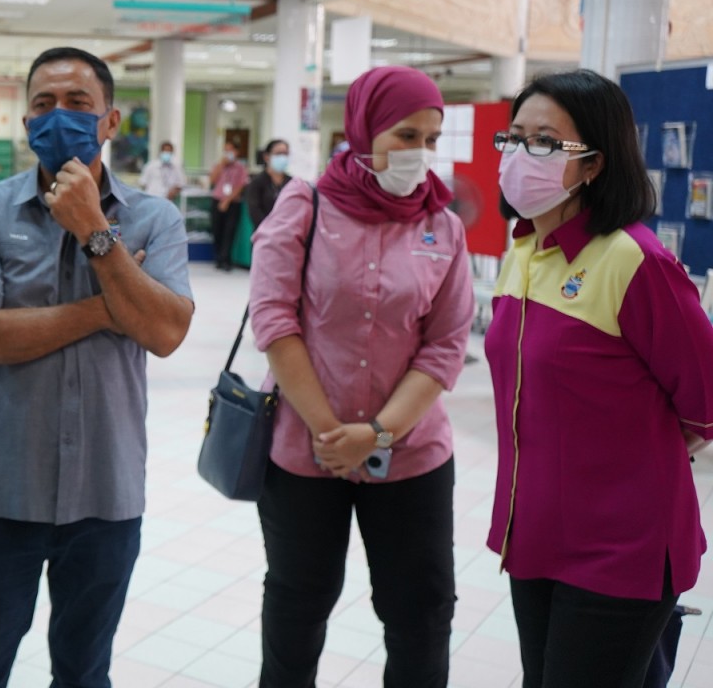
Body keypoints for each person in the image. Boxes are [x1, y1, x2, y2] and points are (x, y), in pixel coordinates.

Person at [0, 46, 194, 688]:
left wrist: (94, 231)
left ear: (110, 121)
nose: (59, 116)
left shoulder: (154, 219)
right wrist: (112, 308)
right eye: (44, 104)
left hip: (107, 490)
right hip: (4, 488)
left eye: (78, 103)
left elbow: (165, 332)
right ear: (27, 122)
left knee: (84, 673)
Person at [484, 69, 713, 688]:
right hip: (534, 533)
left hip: (620, 548)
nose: (520, 154)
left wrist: (638, 451)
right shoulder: (523, 249)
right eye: (515, 137)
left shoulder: (633, 259)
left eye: (544, 141)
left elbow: (706, 397)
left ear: (593, 163)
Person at [248, 65, 474, 688]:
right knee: (298, 604)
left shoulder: (443, 226)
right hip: (305, 449)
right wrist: (331, 433)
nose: (420, 153)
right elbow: (274, 319)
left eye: (431, 139)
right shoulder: (306, 204)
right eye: (406, 135)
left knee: (420, 612)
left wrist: (375, 435)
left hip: (412, 455)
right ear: (364, 129)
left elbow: (445, 345)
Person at [208, 140, 249, 270]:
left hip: (233, 202)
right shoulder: (219, 165)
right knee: (217, 230)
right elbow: (212, 180)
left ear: (236, 152)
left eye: (231, 150)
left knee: (229, 231)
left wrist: (227, 200)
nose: (228, 153)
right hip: (217, 200)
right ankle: (218, 258)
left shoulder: (241, 168)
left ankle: (226, 259)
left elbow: (241, 185)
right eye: (226, 150)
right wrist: (221, 165)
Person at [245, 138, 292, 229]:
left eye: (285, 154)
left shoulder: (291, 183)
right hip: (264, 232)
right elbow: (254, 211)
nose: (283, 158)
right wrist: (270, 228)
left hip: (287, 232)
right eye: (278, 154)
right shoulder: (257, 182)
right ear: (267, 157)